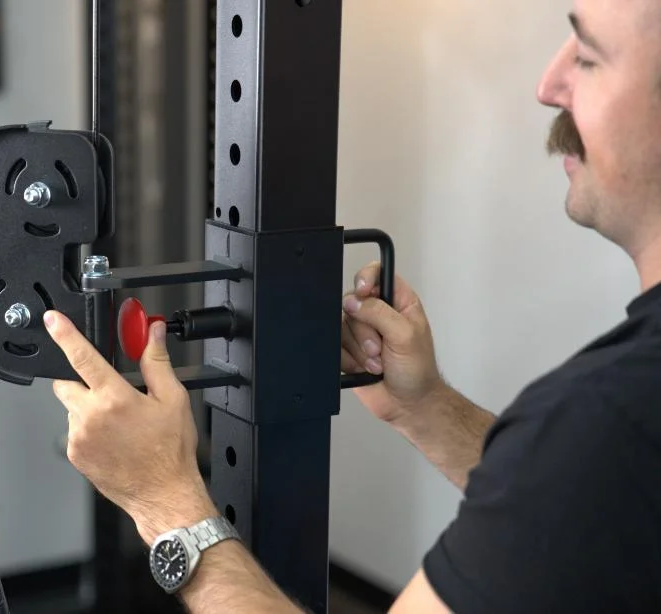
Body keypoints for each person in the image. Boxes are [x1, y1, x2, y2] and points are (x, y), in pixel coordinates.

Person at [45, 0, 661, 611]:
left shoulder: (607, 419)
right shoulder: (610, 434)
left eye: (587, 57)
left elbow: (589, 465)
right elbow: (583, 507)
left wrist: (167, 502)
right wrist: (424, 408)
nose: (548, 86)